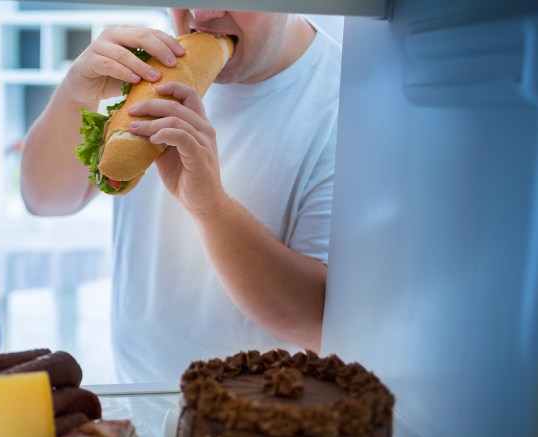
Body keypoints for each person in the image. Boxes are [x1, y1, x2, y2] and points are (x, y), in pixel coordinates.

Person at [20, 9, 341, 384]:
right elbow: (45, 199)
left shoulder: (341, 100)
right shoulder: (143, 57)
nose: (202, 13)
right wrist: (75, 95)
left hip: (260, 418)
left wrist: (210, 208)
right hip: (136, 397)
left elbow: (316, 323)